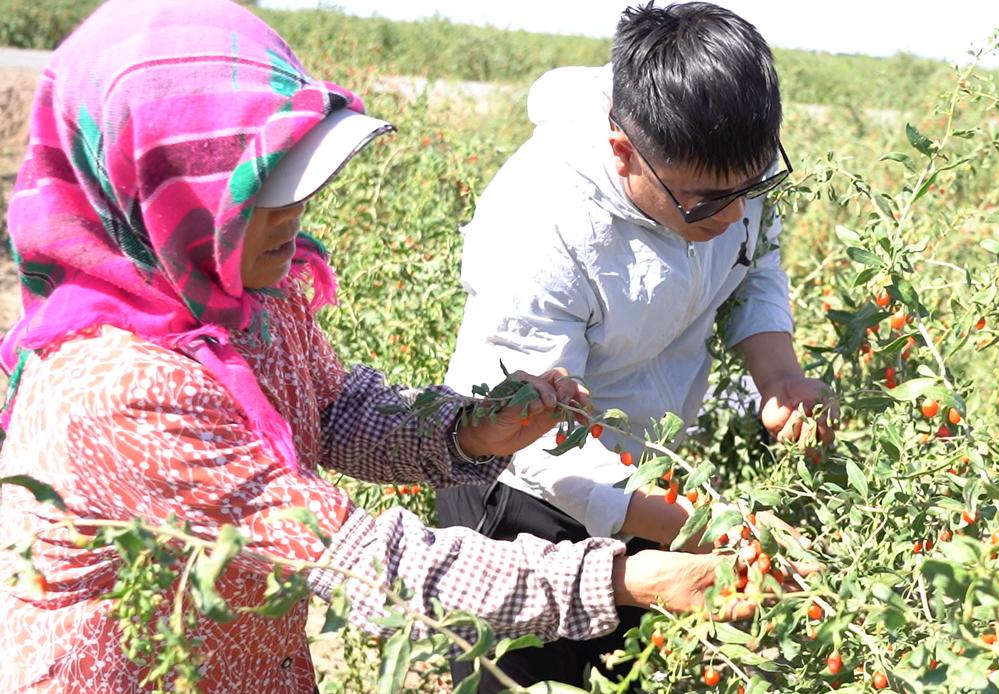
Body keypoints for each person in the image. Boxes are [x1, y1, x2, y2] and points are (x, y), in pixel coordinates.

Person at [0, 2, 753, 691]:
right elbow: (371, 562)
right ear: (154, 188)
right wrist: (625, 579)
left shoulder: (246, 299)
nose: (294, 212)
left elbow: (333, 410)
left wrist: (467, 429)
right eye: (258, 191)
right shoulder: (122, 386)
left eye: (297, 179)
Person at [438, 1, 831, 688]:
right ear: (624, 151)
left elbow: (754, 268)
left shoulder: (718, 160)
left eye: (755, 185)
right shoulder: (540, 224)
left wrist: (779, 375)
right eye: (707, 202)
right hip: (526, 507)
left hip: (653, 484)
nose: (737, 213)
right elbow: (530, 438)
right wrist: (712, 524)